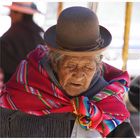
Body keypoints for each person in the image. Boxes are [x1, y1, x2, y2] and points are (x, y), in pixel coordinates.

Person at [0, 6, 136, 138]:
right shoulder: (24, 90)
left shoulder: (109, 106)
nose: (78, 75)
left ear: (98, 66)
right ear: (54, 62)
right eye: (71, 66)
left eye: (88, 67)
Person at [0, 2, 45, 82]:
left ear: (19, 13)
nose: (9, 15)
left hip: (16, 85)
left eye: (11, 11)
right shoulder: (39, 32)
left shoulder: (13, 33)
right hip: (38, 83)